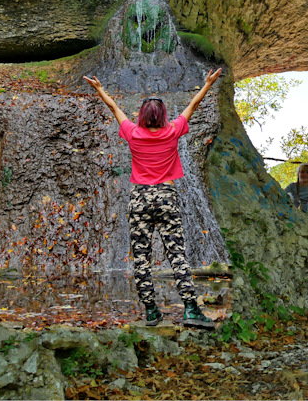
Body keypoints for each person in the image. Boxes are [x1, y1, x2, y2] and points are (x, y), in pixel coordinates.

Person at [83, 69, 221, 329]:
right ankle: (191, 310)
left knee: (141, 257)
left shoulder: (133, 133)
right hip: (166, 196)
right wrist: (207, 84)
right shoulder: (173, 131)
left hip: (140, 198)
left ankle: (150, 312)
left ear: (143, 116)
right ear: (163, 115)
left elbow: (114, 108)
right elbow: (193, 104)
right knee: (177, 255)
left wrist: (100, 88)